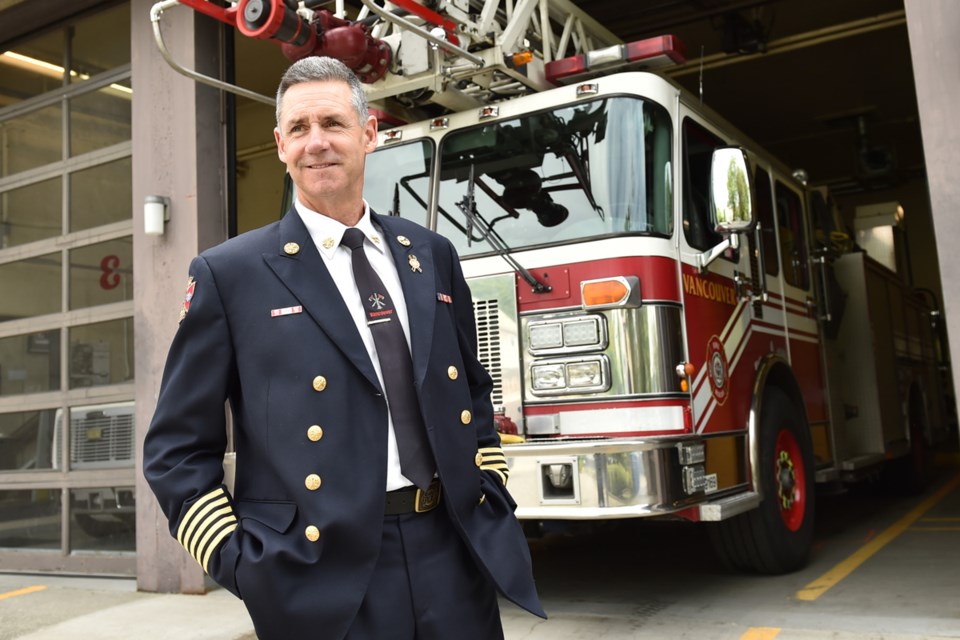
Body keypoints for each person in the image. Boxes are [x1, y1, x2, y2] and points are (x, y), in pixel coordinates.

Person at [142, 56, 544, 640]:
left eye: (332, 122)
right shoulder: (230, 274)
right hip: (317, 574)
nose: (317, 143)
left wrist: (489, 487)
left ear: (369, 134)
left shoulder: (430, 253)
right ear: (279, 145)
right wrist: (242, 560)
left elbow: (471, 393)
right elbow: (177, 448)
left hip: (453, 554)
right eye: (299, 129)